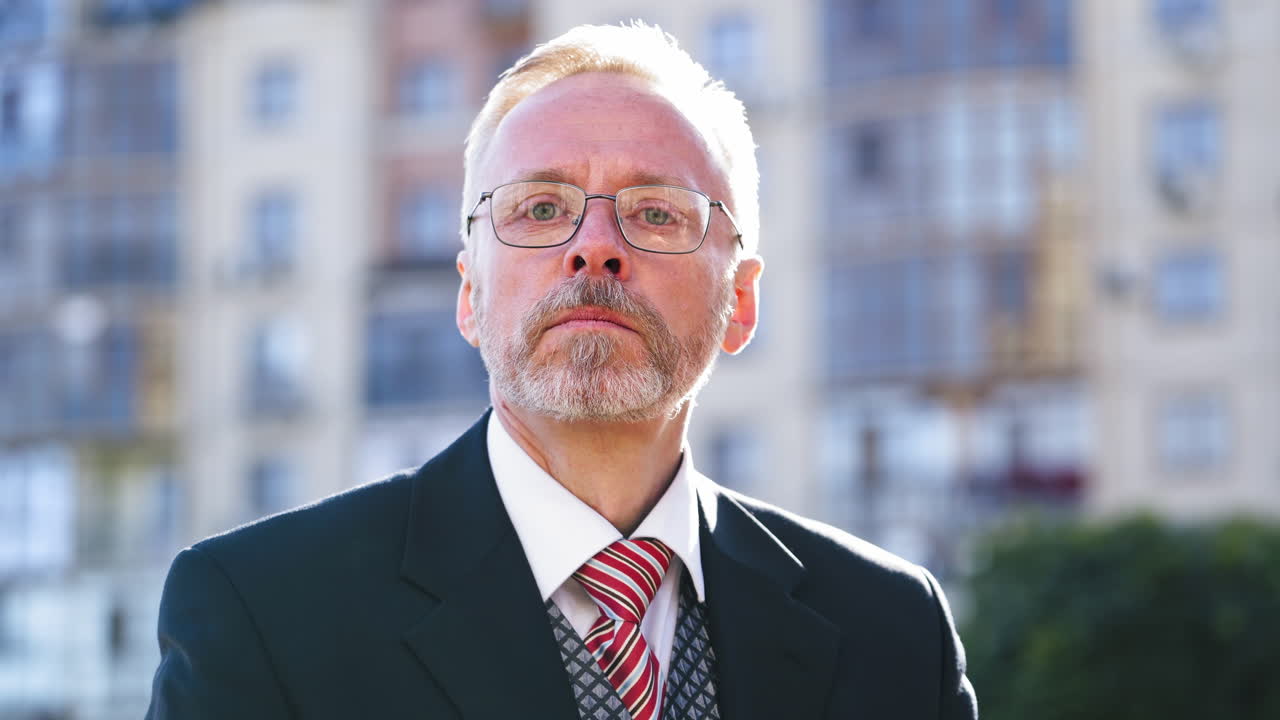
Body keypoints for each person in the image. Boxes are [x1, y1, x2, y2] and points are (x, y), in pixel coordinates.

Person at [146, 23, 977, 720]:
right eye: (541, 209)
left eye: (656, 212)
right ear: (470, 294)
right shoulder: (262, 610)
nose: (594, 245)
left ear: (743, 302)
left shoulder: (895, 632)